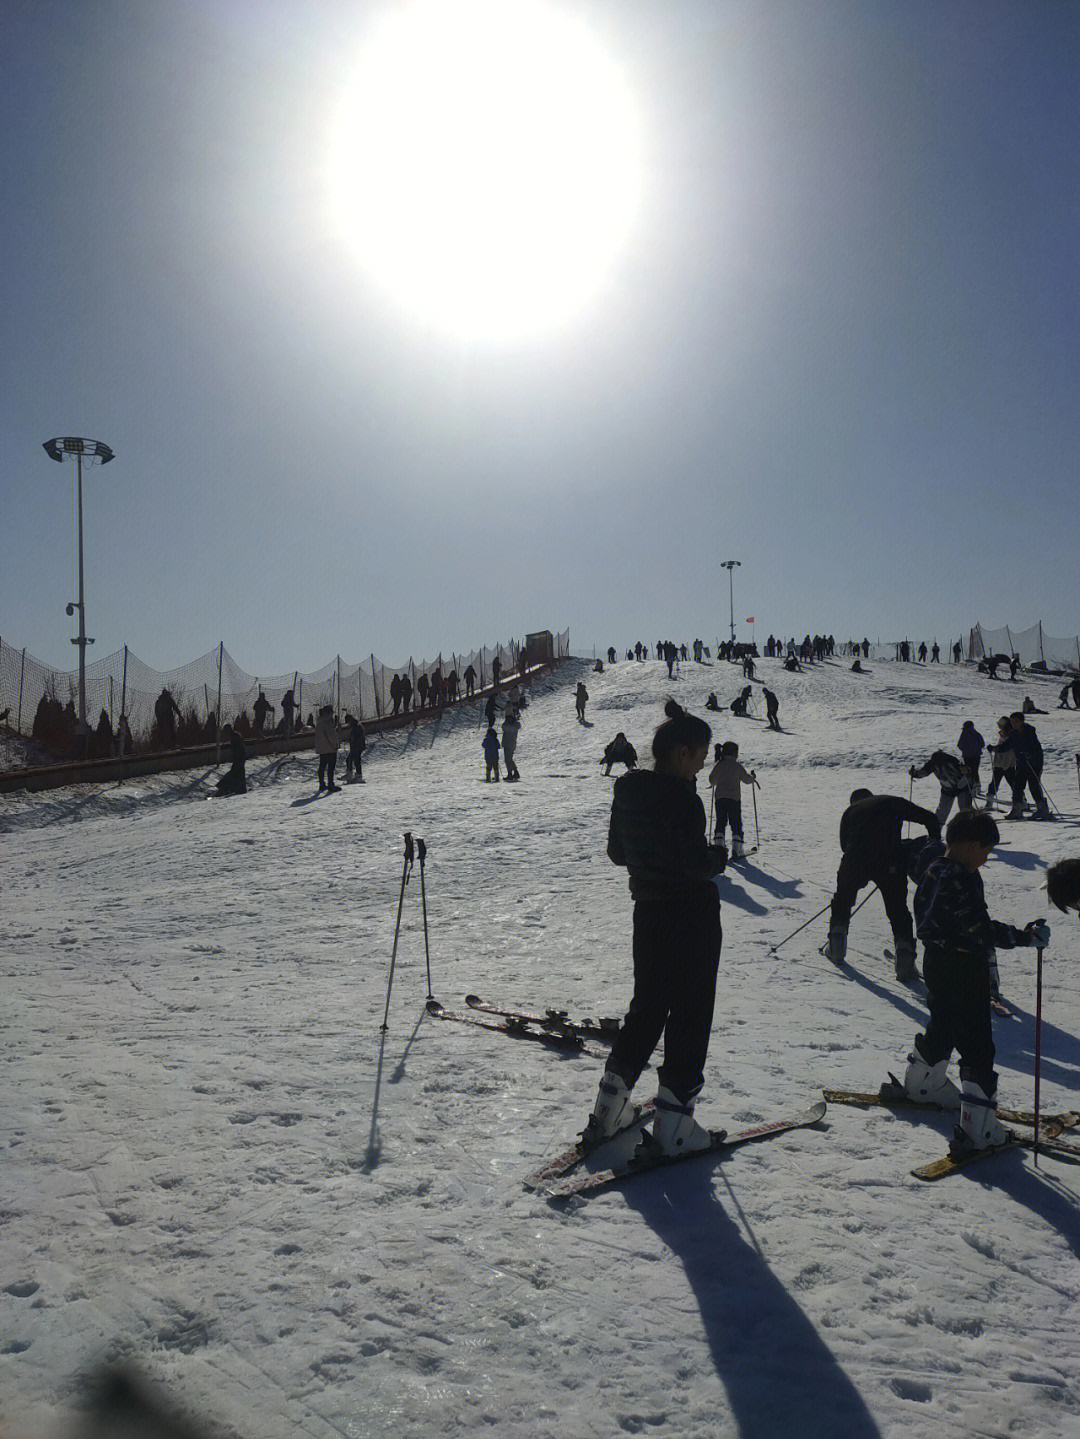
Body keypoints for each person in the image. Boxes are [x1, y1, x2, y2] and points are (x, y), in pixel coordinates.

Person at [586, 701, 728, 1156]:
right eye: (702, 753)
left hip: (648, 913)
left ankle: (609, 1108)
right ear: (682, 753)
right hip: (691, 917)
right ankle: (675, 1126)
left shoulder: (628, 792)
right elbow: (693, 864)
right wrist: (717, 859)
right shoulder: (683, 799)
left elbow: (617, 853)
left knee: (646, 1007)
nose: (704, 763)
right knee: (690, 1011)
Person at [895, 809, 1050, 1150]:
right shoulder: (959, 877)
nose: (986, 857)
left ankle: (923, 1084)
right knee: (978, 1042)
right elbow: (978, 928)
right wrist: (1025, 937)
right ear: (967, 843)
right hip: (964, 966)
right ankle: (979, 1129)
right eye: (986, 849)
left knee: (944, 1023)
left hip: (935, 962)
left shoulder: (934, 869)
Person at [827, 789, 940, 980]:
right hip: (890, 862)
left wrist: (861, 871)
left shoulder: (850, 811)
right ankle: (904, 958)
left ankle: (837, 946)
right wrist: (933, 847)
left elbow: (844, 845)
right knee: (897, 910)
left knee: (842, 901)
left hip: (854, 860)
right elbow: (930, 819)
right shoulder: (892, 802)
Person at [708, 741, 757, 859]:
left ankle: (718, 846)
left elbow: (712, 780)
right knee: (735, 822)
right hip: (734, 799)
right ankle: (737, 848)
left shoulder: (719, 765)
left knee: (721, 821)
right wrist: (753, 778)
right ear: (735, 753)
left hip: (720, 798)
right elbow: (746, 779)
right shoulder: (737, 766)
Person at [998, 712, 1050, 820]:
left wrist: (1029, 754)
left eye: (1016, 722)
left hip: (1034, 764)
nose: (1014, 724)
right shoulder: (1014, 734)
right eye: (1012, 722)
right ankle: (1016, 809)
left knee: (1033, 785)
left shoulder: (1029, 732)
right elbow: (1008, 744)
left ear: (1022, 721)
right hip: (1021, 763)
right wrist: (997, 748)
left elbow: (1034, 748)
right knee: (1017, 785)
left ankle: (1042, 808)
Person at [909, 750, 974, 826]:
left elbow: (967, 769)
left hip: (962, 788)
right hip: (947, 789)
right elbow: (924, 772)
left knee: (965, 811)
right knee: (942, 813)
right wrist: (914, 773)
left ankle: (970, 829)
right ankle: (936, 833)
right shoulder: (932, 764)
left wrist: (966, 770)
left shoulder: (952, 760)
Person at [313, 704, 339, 792]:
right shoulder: (328, 722)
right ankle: (331, 784)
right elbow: (331, 736)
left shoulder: (319, 722)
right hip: (330, 748)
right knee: (331, 767)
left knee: (322, 766)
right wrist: (335, 745)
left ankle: (322, 784)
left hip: (322, 748)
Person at [216, 722, 247, 795]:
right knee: (239, 773)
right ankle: (239, 788)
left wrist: (236, 756)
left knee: (235, 772)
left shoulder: (234, 736)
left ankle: (223, 787)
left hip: (239, 757)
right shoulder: (235, 735)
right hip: (240, 756)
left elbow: (238, 748)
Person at [957, 721, 985, 796]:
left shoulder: (964, 735)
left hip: (967, 756)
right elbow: (982, 744)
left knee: (969, 771)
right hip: (976, 756)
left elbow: (960, 745)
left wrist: (965, 749)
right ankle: (977, 786)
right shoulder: (976, 734)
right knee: (975, 771)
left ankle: (973, 788)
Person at [344, 713, 366, 782]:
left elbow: (356, 737)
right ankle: (355, 774)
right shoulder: (356, 725)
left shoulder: (356, 726)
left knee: (353, 760)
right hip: (358, 746)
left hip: (357, 746)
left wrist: (352, 740)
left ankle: (354, 775)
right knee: (353, 760)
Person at [502, 705, 520, 781]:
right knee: (509, 759)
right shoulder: (511, 725)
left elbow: (507, 729)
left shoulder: (513, 726)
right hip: (507, 743)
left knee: (508, 759)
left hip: (510, 744)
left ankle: (510, 773)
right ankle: (515, 772)